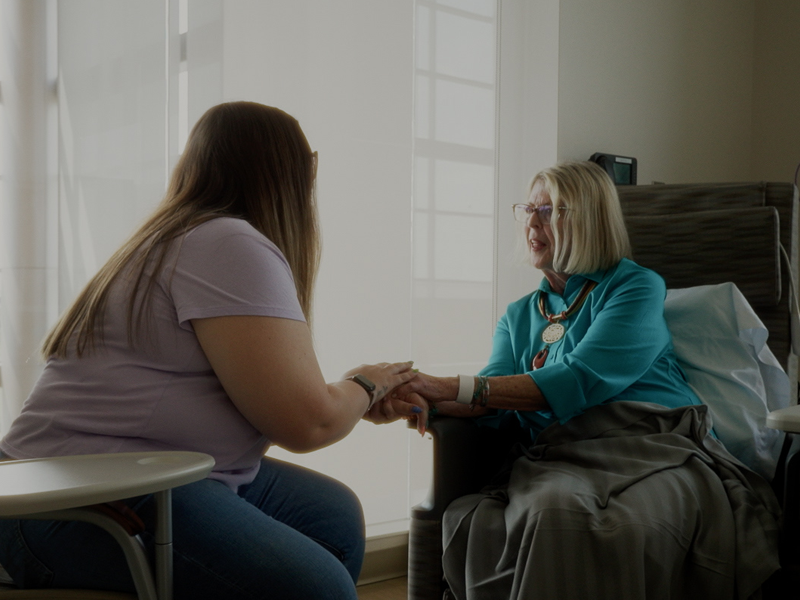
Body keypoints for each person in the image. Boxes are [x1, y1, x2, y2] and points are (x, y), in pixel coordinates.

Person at [0, 101, 419, 600]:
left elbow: (276, 395)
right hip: (76, 497)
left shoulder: (179, 237)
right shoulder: (227, 244)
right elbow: (310, 423)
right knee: (319, 588)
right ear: (294, 174)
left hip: (129, 471)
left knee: (332, 517)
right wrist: (367, 384)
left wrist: (354, 399)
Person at [375, 161, 781, 599]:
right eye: (528, 209)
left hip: (657, 447)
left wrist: (446, 385)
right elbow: (486, 400)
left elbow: (580, 379)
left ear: (588, 218)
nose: (532, 222)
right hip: (560, 458)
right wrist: (415, 395)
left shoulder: (635, 287)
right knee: (552, 511)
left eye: (549, 211)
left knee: (607, 524)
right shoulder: (518, 315)